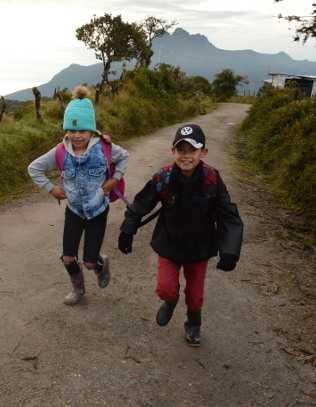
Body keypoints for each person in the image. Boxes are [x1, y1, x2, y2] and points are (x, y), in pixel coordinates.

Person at [118, 124, 243, 346]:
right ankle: (170, 301)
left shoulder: (212, 180)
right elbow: (140, 203)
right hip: (170, 245)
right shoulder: (163, 178)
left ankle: (193, 322)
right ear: (172, 151)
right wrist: (128, 229)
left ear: (203, 152)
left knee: (195, 296)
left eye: (192, 150)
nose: (186, 156)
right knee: (165, 288)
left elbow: (229, 216)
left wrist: (230, 250)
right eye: (181, 150)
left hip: (199, 248)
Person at [28, 85, 129, 305]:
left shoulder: (104, 148)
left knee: (90, 262)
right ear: (66, 130)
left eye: (82, 131)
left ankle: (100, 265)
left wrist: (115, 179)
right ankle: (78, 289)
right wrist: (52, 188)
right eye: (71, 131)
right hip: (74, 211)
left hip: (97, 212)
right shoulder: (60, 151)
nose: (77, 136)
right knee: (67, 258)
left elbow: (124, 157)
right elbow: (34, 168)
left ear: (91, 130)